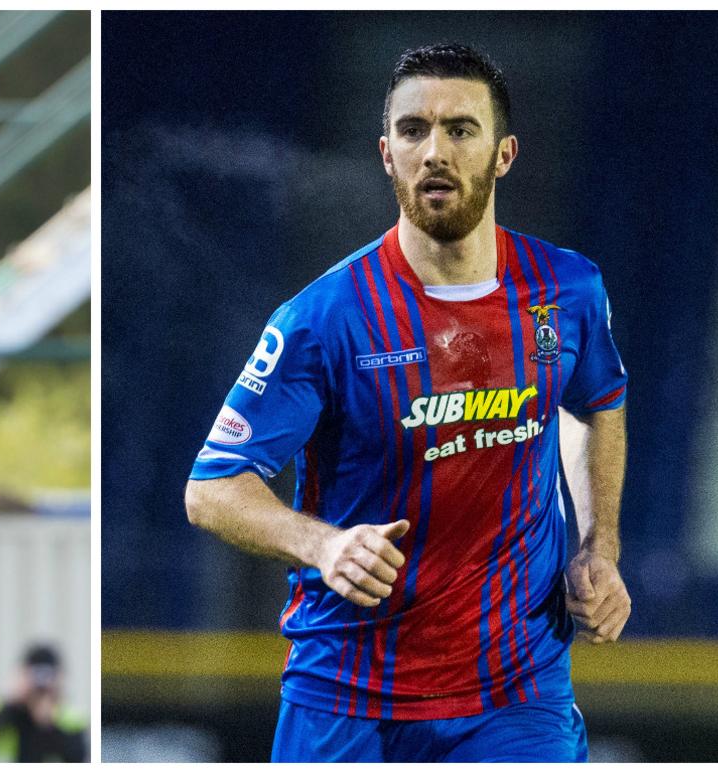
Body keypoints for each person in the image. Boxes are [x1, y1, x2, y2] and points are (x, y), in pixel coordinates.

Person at [185, 43, 630, 763]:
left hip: (516, 692)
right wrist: (322, 543)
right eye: (413, 130)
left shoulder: (568, 291)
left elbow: (591, 404)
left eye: (460, 129)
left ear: (505, 153)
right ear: (386, 154)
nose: (434, 151)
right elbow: (210, 489)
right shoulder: (322, 318)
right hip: (349, 692)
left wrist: (597, 546)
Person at [0, 644, 88, 762]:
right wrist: (12, 702)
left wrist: (46, 725)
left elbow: (77, 758)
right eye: (35, 674)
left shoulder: (72, 721)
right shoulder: (3, 712)